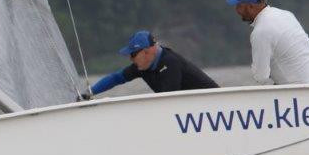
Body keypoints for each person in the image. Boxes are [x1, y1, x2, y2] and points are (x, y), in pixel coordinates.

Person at [227, 0, 309, 85]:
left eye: (239, 6)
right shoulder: (286, 14)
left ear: (250, 6)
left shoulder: (260, 31)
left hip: (303, 89)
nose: (236, 10)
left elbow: (261, 76)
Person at [86, 30, 218, 97]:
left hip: (215, 104)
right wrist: (89, 93)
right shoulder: (142, 66)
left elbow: (169, 101)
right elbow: (116, 78)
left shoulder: (170, 63)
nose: (131, 59)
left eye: (133, 54)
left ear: (147, 52)